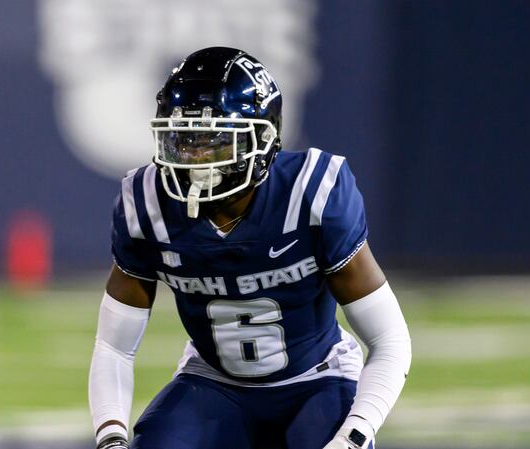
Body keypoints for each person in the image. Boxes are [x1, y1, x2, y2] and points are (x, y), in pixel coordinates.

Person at [88, 47, 411, 449]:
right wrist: (111, 438)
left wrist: (356, 434)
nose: (194, 159)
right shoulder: (147, 203)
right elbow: (113, 346)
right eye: (183, 141)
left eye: (214, 143)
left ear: (264, 140)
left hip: (316, 378)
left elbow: (389, 340)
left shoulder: (313, 194)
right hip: (214, 382)